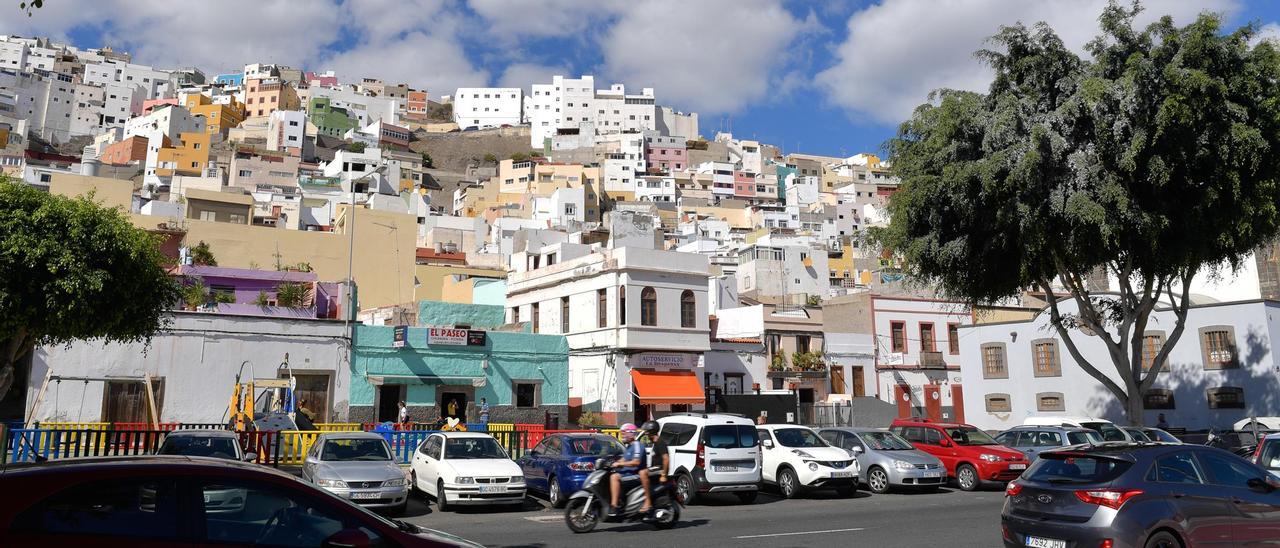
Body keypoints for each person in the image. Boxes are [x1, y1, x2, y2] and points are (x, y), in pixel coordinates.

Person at [609, 423, 648, 517]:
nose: (622, 435)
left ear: (631, 433)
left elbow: (636, 462)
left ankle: (614, 506)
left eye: (624, 433)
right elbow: (623, 459)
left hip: (636, 474)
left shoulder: (637, 445)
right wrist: (612, 463)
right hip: (628, 474)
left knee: (614, 477)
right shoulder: (629, 447)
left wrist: (620, 464)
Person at [638, 420, 666, 514]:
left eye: (647, 432)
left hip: (659, 470)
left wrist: (664, 475)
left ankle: (648, 502)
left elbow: (666, 459)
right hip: (655, 469)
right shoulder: (655, 442)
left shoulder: (660, 442)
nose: (646, 434)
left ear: (651, 432)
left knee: (643, 473)